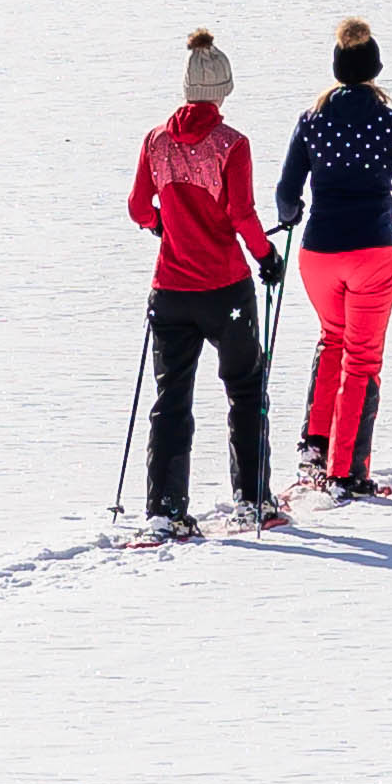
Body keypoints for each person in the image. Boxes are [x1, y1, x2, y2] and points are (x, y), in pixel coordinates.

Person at [271, 18, 392, 497]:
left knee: (332, 339)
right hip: (372, 251)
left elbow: (285, 193)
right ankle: (348, 470)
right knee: (362, 359)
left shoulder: (313, 119)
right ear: (375, 68)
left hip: (319, 253)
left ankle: (313, 449)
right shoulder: (391, 122)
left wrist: (292, 213)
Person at [129, 31, 275, 527]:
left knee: (171, 400)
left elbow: (136, 207)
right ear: (224, 91)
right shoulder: (232, 146)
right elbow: (242, 214)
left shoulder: (155, 141)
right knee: (246, 387)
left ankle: (164, 510)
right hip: (224, 288)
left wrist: (160, 225)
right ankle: (253, 499)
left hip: (169, 290)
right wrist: (266, 256)